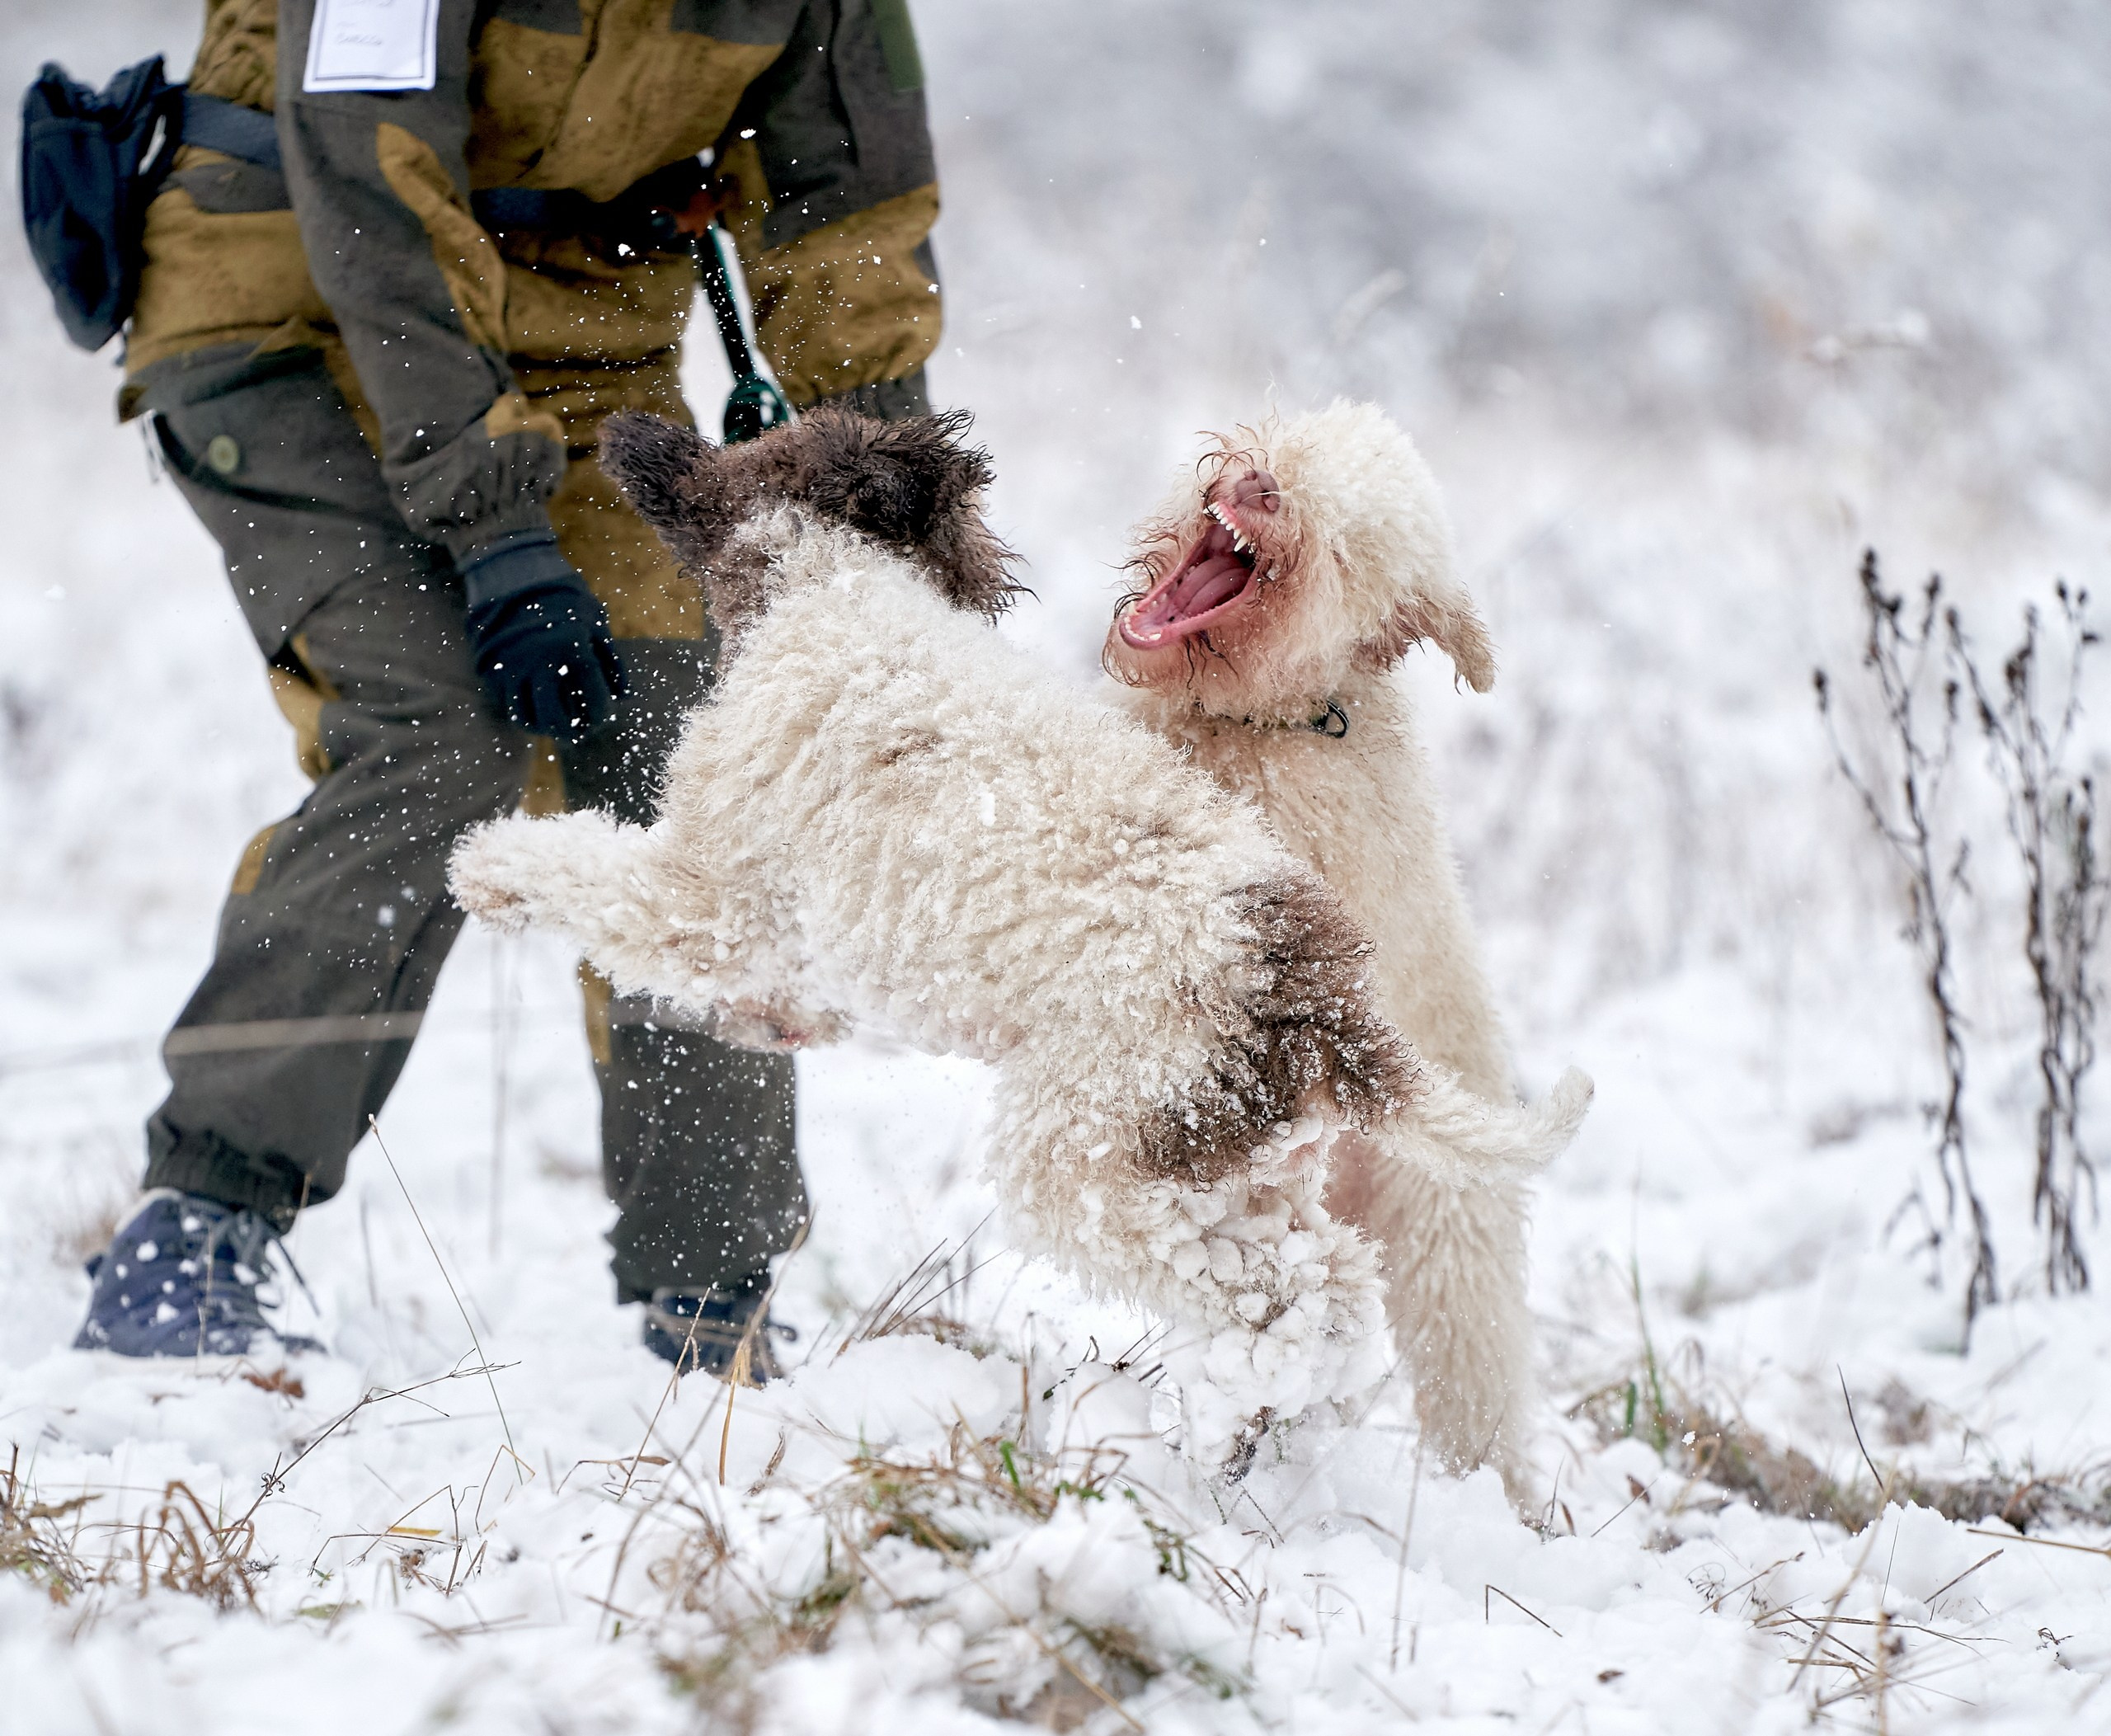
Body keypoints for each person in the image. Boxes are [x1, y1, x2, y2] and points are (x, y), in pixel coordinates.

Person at [69, 0, 944, 1376]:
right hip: (286, 296)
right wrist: (499, 536)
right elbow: (371, 172)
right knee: (445, 728)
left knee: (699, 766)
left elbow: (851, 233)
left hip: (584, 343)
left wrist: (898, 548)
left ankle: (715, 1308)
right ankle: (203, 1219)